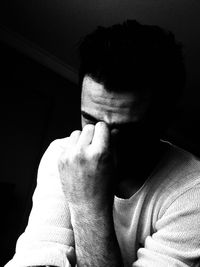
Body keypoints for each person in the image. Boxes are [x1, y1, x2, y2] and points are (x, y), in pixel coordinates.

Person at [5, 20, 200, 267]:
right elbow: (39, 256)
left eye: (125, 130)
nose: (103, 143)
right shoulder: (63, 154)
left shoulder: (194, 193)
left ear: (164, 121)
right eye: (90, 119)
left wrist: (88, 206)